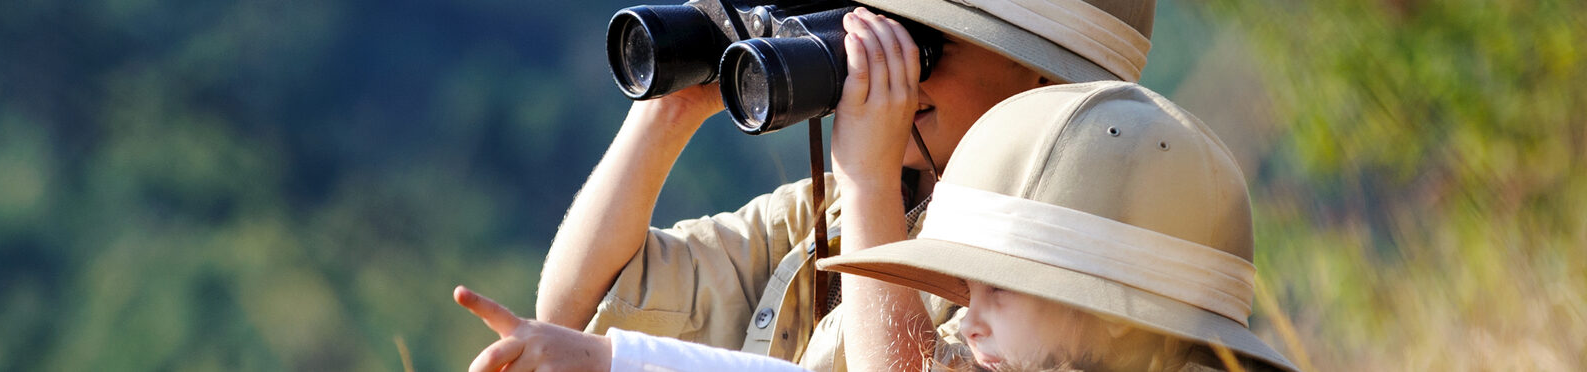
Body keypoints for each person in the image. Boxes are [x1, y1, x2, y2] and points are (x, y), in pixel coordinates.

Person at [457, 81, 1300, 372]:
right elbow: (583, 300)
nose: (967, 319)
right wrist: (673, 107)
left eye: (1000, 289)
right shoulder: (821, 212)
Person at [535, 0, 1163, 370]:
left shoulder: (1070, 259)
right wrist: (670, 108)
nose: (881, 64)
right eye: (873, 26)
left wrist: (868, 187)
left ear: (1041, 78)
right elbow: (574, 311)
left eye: (923, 44)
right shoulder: (829, 217)